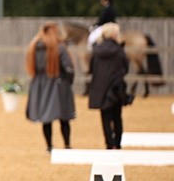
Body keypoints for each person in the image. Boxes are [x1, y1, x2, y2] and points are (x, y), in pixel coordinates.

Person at [25, 21, 76, 152]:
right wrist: (68, 81)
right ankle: (67, 145)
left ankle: (49, 146)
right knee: (64, 117)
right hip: (58, 84)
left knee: (45, 117)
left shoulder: (34, 47)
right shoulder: (60, 47)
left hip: (40, 85)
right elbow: (68, 67)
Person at [88, 22, 129, 149]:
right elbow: (125, 67)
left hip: (101, 87)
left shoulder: (96, 50)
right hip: (116, 87)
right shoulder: (119, 50)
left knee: (105, 116)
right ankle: (117, 142)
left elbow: (91, 68)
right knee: (117, 116)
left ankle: (109, 144)